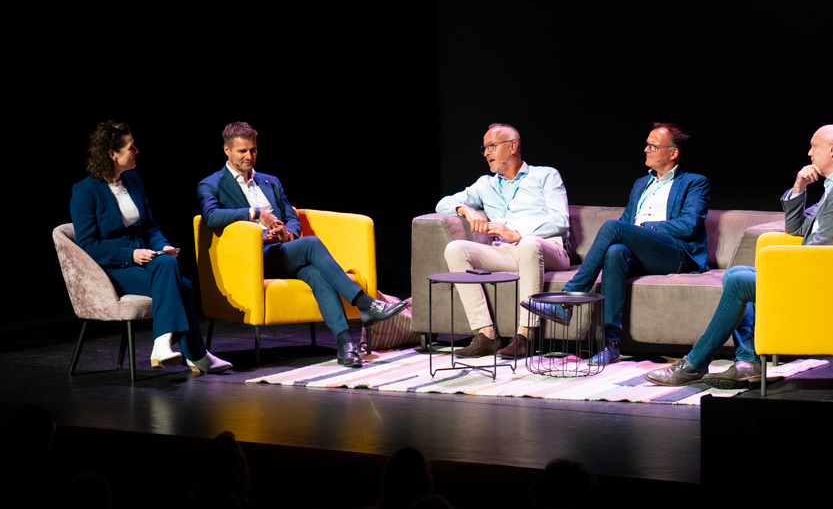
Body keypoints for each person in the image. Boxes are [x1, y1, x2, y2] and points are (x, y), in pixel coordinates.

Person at [645, 124, 833, 387]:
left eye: (814, 146)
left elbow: (817, 252)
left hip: (832, 288)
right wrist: (799, 187)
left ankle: (694, 365)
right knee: (736, 274)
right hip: (826, 276)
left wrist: (780, 268)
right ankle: (747, 362)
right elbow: (797, 228)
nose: (809, 153)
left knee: (739, 281)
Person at [197, 121, 406, 368]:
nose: (249, 156)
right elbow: (210, 216)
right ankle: (364, 303)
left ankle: (345, 346)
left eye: (253, 150)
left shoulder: (270, 181)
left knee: (315, 273)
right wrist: (255, 214)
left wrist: (288, 234)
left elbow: (291, 216)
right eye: (242, 151)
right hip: (252, 258)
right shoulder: (212, 183)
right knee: (312, 244)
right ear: (227, 150)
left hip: (281, 251)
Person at [523, 122, 709, 366]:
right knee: (615, 251)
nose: (646, 150)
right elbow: (625, 223)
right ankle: (610, 344)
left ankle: (568, 299)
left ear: (673, 153)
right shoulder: (641, 184)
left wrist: (645, 229)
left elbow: (688, 225)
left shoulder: (694, 182)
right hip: (643, 253)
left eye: (653, 146)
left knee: (613, 227)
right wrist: (632, 232)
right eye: (647, 145)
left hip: (675, 253)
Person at [71, 121, 231, 375]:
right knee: (184, 286)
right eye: (130, 147)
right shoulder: (85, 191)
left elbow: (149, 227)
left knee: (170, 264)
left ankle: (167, 346)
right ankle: (191, 353)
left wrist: (163, 245)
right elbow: (88, 246)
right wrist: (130, 255)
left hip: (144, 256)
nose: (137, 151)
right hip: (114, 268)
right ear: (112, 154)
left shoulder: (133, 180)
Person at [436, 123, 570, 358]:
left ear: (512, 147)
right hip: (508, 253)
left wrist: (518, 233)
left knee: (529, 244)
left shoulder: (545, 176)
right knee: (455, 249)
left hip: (548, 249)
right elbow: (443, 204)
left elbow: (560, 220)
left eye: (492, 146)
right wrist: (465, 210)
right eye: (485, 148)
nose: (486, 153)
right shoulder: (485, 185)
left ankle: (526, 335)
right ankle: (486, 334)